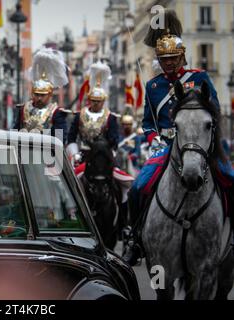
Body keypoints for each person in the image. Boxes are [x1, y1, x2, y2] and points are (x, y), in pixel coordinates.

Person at [122, 10, 234, 265]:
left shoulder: (198, 78)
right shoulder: (153, 87)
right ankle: (135, 240)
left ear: (181, 56)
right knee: (138, 187)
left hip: (200, 142)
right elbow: (148, 123)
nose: (168, 63)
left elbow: (214, 111)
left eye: (172, 58)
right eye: (163, 59)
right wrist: (154, 140)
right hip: (166, 146)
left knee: (230, 177)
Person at [12, 47, 69, 143]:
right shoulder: (23, 109)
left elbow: (60, 140)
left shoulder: (56, 113)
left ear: (50, 94)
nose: (39, 98)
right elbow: (14, 133)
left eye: (43, 95)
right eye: (37, 94)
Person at [67, 61, 120, 157]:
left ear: (103, 101)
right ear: (89, 99)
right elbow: (71, 137)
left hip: (104, 155)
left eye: (98, 101)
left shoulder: (110, 117)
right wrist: (75, 154)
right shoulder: (80, 115)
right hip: (82, 155)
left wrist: (111, 153)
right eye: (93, 100)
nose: (96, 103)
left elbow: (114, 140)